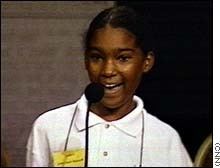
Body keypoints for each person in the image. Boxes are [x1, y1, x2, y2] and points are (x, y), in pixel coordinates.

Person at [26, 6, 193, 167]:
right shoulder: (49, 127)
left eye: (123, 58)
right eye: (97, 57)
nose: (108, 71)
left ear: (146, 62)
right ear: (86, 60)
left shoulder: (165, 139)